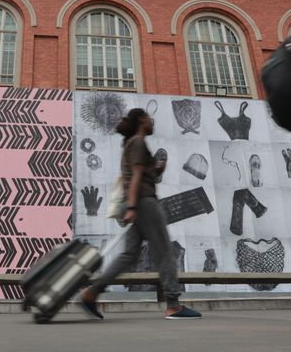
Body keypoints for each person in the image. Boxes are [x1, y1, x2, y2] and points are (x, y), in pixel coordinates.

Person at [79, 108, 202, 320]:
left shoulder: (132, 144)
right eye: (149, 118)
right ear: (142, 121)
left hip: (137, 203)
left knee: (129, 255)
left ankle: (92, 293)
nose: (152, 122)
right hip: (144, 203)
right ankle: (173, 305)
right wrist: (134, 207)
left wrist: (157, 170)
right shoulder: (137, 142)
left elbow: (141, 174)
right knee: (164, 251)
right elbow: (135, 177)